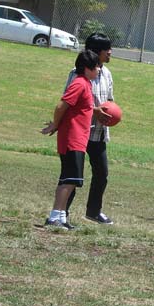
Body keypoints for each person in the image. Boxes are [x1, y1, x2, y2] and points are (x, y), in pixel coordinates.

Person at [41, 50, 100, 230]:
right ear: (87, 68)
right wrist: (55, 124)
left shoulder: (87, 84)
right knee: (69, 180)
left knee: (70, 179)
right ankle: (54, 217)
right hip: (72, 138)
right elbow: (61, 106)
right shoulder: (79, 83)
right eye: (96, 66)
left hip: (79, 139)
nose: (99, 69)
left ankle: (60, 217)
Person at [64, 32, 116, 225]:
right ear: (97, 51)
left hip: (98, 132)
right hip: (79, 131)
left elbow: (109, 100)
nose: (110, 52)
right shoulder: (77, 72)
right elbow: (69, 101)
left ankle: (94, 211)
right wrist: (95, 111)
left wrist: (112, 112)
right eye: (107, 49)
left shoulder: (107, 73)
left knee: (102, 173)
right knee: (74, 174)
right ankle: (62, 212)